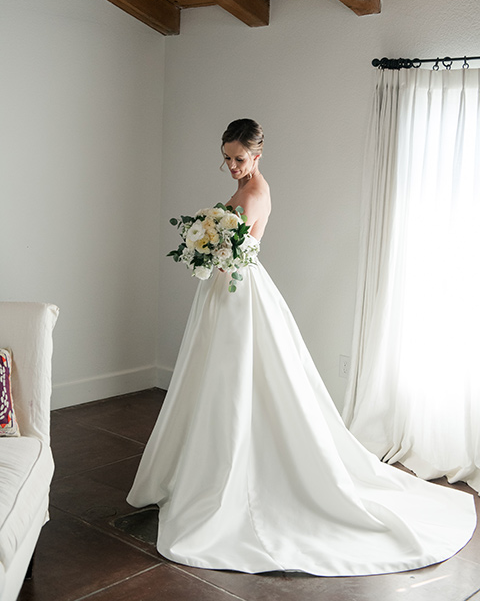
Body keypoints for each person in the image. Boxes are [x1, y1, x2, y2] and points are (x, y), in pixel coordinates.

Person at [127, 118, 476, 576]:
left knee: (236, 377)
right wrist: (203, 243)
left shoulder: (253, 193)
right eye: (226, 158)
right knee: (218, 375)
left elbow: (234, 251)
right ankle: (205, 462)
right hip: (227, 289)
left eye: (239, 158)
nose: (231, 166)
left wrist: (205, 246)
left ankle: (237, 469)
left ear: (257, 155)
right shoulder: (250, 185)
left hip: (238, 291)